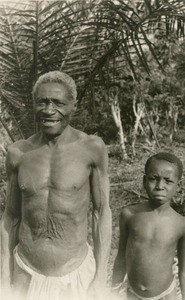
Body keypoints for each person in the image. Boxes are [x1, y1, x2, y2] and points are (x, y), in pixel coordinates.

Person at [1, 71, 112, 300]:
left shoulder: (92, 149)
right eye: (42, 102)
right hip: (25, 272)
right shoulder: (18, 153)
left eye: (58, 103)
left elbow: (101, 213)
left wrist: (100, 276)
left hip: (75, 276)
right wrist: (4, 274)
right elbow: (10, 216)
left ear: (73, 105)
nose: (49, 110)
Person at [112, 152, 185, 300]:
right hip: (133, 294)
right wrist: (112, 290)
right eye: (153, 179)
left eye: (168, 181)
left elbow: (183, 270)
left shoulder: (180, 223)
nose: (159, 186)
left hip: (166, 295)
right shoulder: (129, 215)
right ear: (144, 181)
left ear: (178, 184)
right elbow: (121, 257)